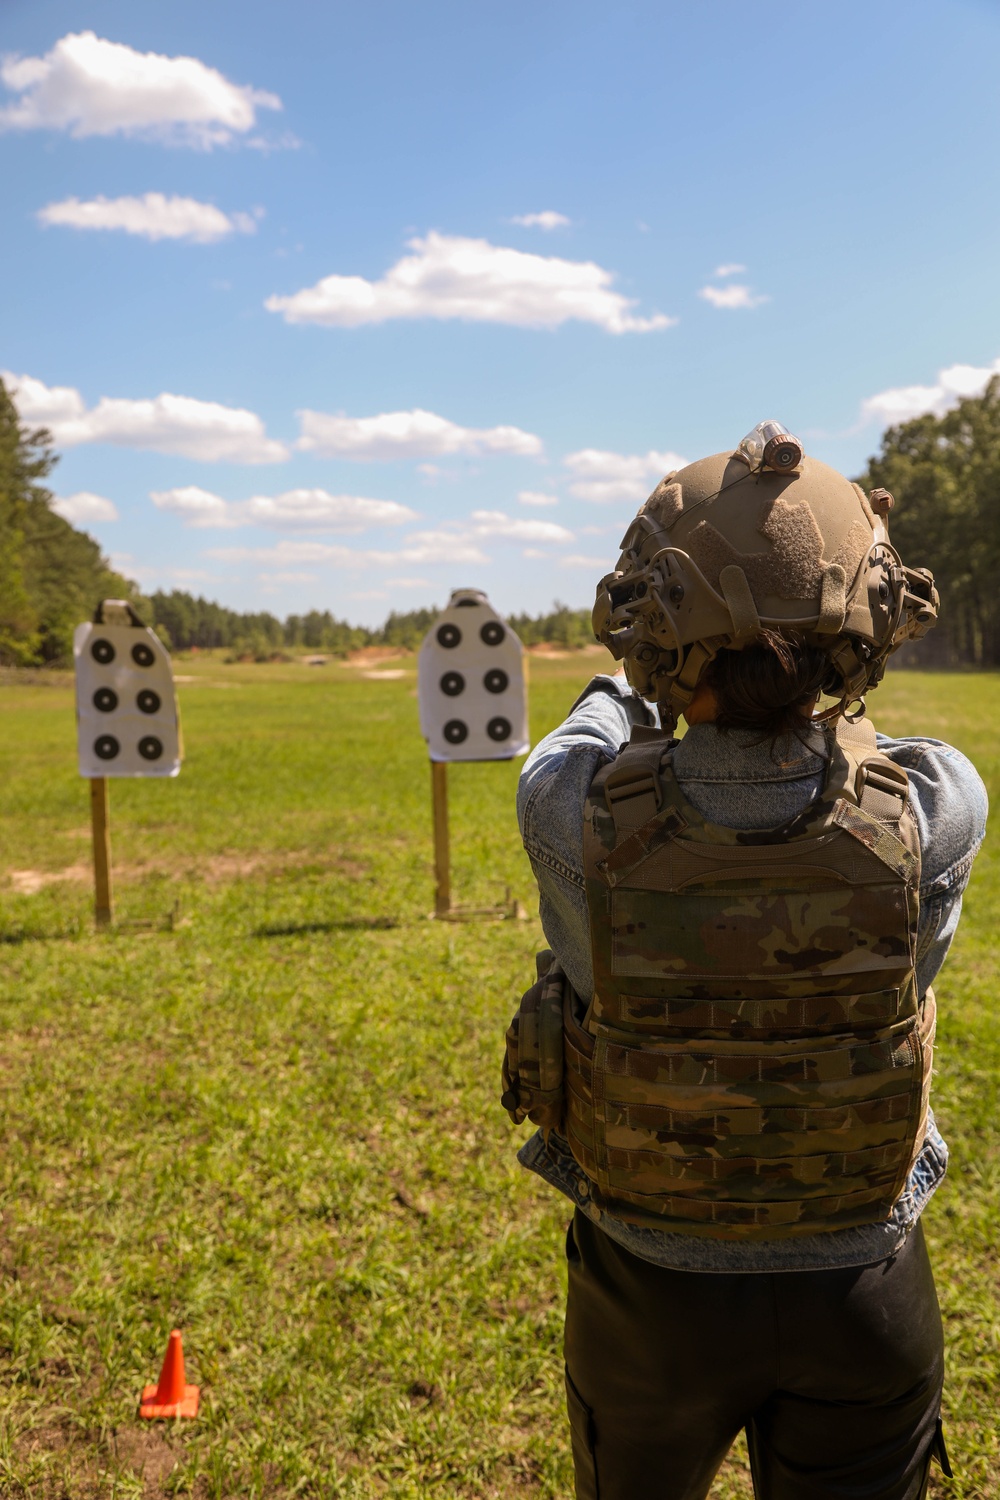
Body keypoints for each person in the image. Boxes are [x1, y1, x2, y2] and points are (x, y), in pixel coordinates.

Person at [502, 424, 988, 1500]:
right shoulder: (940, 807)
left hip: (649, 1296)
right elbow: (874, 749)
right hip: (863, 1288)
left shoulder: (567, 810)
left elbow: (593, 721)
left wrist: (639, 678)